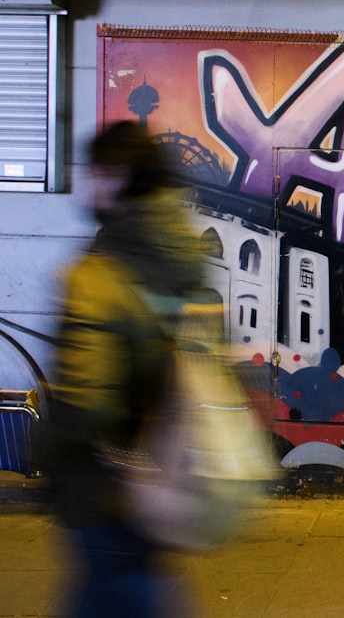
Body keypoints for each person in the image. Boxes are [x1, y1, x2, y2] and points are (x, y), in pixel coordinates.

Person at [39, 121, 204, 617]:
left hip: (105, 486)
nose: (89, 183)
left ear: (118, 176)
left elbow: (86, 401)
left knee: (118, 588)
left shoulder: (98, 274)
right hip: (166, 470)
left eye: (95, 171)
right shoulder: (182, 255)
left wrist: (48, 447)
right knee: (134, 583)